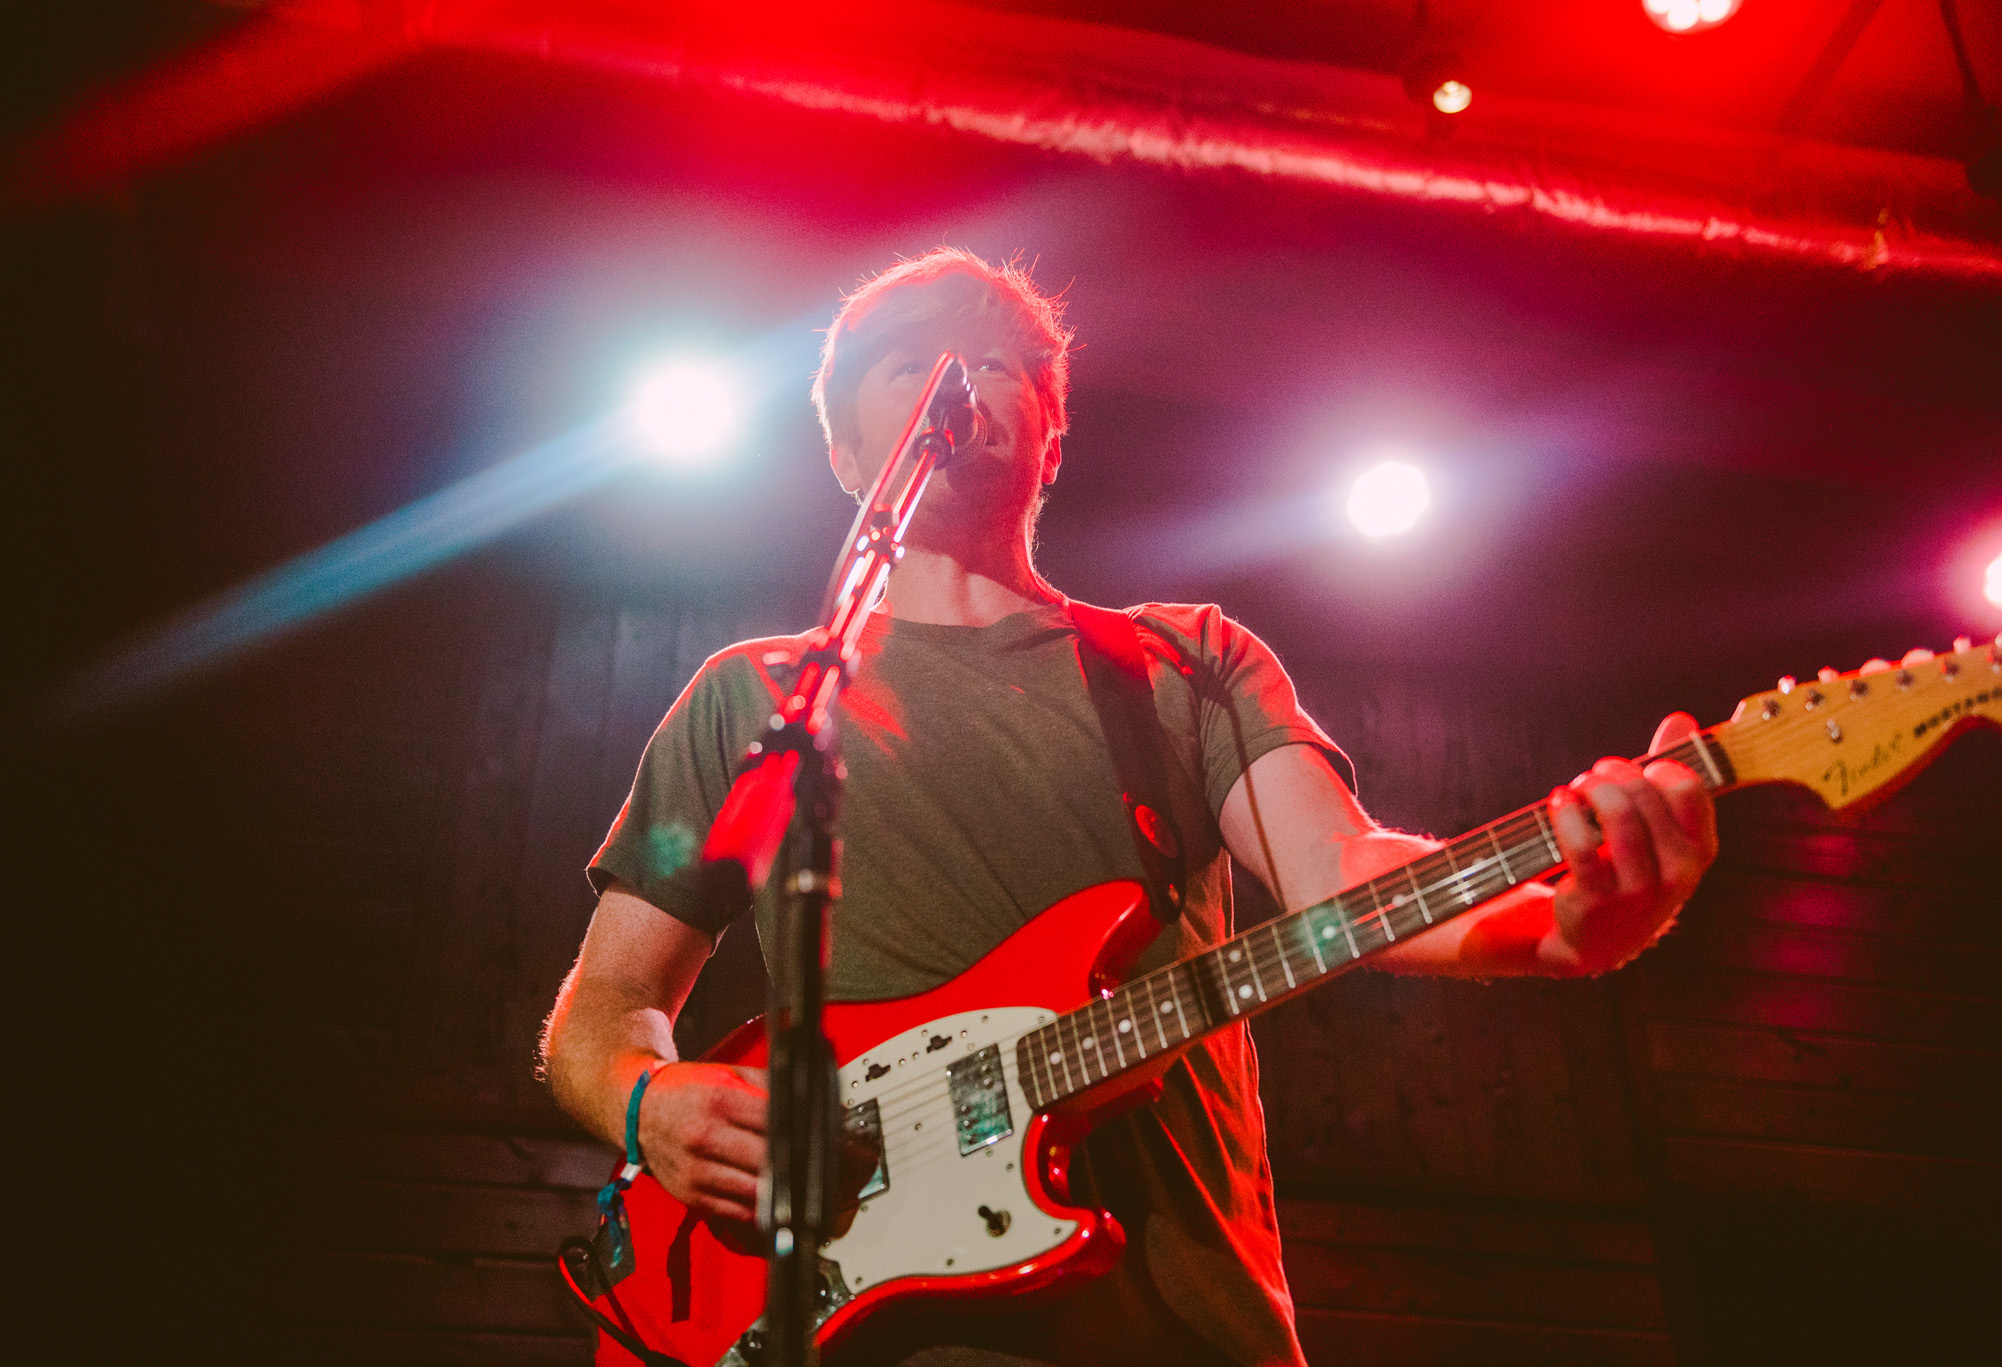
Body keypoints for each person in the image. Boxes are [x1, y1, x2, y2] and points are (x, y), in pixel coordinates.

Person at [542, 248, 1718, 1366]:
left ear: (1052, 438)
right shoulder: (752, 698)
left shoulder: (1181, 662)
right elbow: (605, 1004)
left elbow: (1340, 872)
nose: (956, 375)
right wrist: (651, 1099)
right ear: (846, 453)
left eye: (995, 359)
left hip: (1185, 1324)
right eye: (908, 358)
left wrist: (1550, 921)